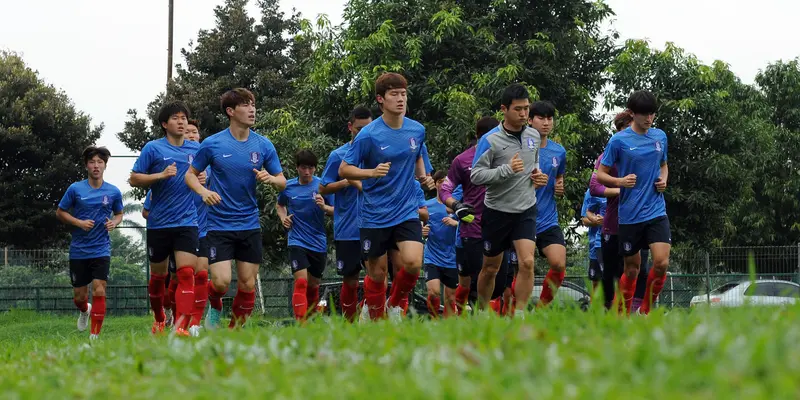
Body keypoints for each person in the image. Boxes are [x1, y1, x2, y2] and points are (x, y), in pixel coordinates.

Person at [187, 88, 286, 328]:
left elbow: (282, 180)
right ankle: (215, 302)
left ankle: (235, 331)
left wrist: (270, 179)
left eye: (253, 104)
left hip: (249, 223)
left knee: (248, 284)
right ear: (231, 111)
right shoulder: (212, 144)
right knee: (220, 282)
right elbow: (190, 175)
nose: (252, 109)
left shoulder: (263, 145)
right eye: (245, 105)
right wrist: (204, 192)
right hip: (218, 224)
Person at [339, 72, 434, 322]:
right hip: (374, 214)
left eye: (403, 94)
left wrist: (424, 176)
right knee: (378, 274)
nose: (400, 99)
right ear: (381, 99)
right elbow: (345, 169)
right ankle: (376, 320)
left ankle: (394, 304)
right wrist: (370, 172)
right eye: (394, 94)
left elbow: (417, 156)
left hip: (405, 210)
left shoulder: (417, 129)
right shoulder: (369, 134)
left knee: (413, 264)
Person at [470, 84, 548, 316]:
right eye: (518, 109)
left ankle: (521, 315)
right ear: (504, 109)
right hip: (497, 210)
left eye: (526, 109)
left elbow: (534, 163)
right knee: (491, 268)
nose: (524, 114)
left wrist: (538, 174)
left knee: (527, 262)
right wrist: (506, 170)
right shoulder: (489, 140)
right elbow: (476, 176)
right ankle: (482, 312)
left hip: (526, 208)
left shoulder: (534, 135)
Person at [596, 90, 671, 315]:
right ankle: (623, 313)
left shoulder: (660, 137)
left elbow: (664, 164)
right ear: (632, 114)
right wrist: (620, 181)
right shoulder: (618, 141)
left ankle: (645, 312)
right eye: (644, 115)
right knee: (632, 270)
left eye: (652, 114)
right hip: (629, 215)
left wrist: (663, 180)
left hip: (656, 210)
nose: (649, 119)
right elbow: (601, 174)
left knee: (661, 262)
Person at [130, 101, 200, 336]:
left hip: (188, 221)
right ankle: (160, 317)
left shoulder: (195, 150)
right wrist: (161, 175)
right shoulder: (153, 148)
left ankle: (182, 326)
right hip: (159, 222)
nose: (181, 122)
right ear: (164, 124)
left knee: (186, 273)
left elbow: (205, 176)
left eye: (184, 118)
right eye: (176, 118)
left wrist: (203, 182)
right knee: (158, 276)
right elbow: (134, 179)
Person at [56, 146, 123, 340]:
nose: (96, 166)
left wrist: (114, 223)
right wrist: (78, 222)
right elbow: (60, 212)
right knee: (79, 297)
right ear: (86, 165)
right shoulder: (75, 189)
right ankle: (85, 310)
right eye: (92, 162)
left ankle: (95, 336)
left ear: (104, 166)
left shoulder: (113, 191)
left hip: (101, 248)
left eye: (100, 162)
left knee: (100, 289)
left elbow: (119, 214)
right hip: (79, 250)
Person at [590, 110, 651, 311]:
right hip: (613, 225)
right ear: (619, 131)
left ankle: (634, 310)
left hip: (639, 221)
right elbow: (595, 186)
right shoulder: (608, 155)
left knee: (639, 269)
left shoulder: (647, 152)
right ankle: (609, 308)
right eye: (627, 128)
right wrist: (620, 187)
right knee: (611, 273)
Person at [439, 116, 499, 314]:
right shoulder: (462, 160)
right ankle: (472, 317)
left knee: (500, 284)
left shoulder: (509, 156)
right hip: (472, 230)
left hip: (501, 226)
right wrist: (457, 206)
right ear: (480, 137)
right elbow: (445, 191)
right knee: (475, 280)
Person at [319, 106, 372, 322]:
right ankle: (349, 323)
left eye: (368, 129)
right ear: (350, 127)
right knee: (350, 280)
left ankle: (372, 318)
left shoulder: (377, 155)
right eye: (359, 129)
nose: (363, 134)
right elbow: (323, 188)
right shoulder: (338, 155)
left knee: (377, 275)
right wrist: (346, 181)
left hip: (375, 224)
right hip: (347, 229)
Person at [277, 149, 334, 322]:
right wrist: (283, 218)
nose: (307, 172)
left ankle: (311, 320)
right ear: (297, 168)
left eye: (310, 168)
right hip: (296, 240)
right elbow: (280, 205)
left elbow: (336, 210)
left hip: (318, 242)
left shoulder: (322, 186)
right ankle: (300, 323)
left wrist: (324, 207)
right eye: (303, 168)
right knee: (301, 282)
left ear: (316, 169)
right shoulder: (288, 187)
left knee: (313, 285)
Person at [527, 101, 567, 306]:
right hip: (522, 218)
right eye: (541, 118)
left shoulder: (558, 152)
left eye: (549, 118)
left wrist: (559, 186)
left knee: (559, 264)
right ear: (529, 120)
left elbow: (558, 177)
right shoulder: (521, 147)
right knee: (525, 267)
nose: (546, 123)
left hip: (548, 219)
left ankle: (541, 309)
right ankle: (513, 312)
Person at [421, 171, 459, 318]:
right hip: (432, 257)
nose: (443, 184)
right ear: (436, 184)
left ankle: (448, 329)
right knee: (434, 292)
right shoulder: (426, 205)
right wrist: (421, 230)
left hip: (452, 258)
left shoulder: (457, 206)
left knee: (450, 298)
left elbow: (470, 223)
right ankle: (434, 320)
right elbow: (416, 224)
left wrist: (455, 222)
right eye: (440, 181)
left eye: (446, 182)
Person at [184, 119, 210, 335]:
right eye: (188, 132)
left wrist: (205, 179)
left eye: (195, 132)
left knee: (201, 274)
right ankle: (175, 314)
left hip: (203, 227)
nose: (191, 135)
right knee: (182, 276)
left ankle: (195, 322)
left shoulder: (209, 160)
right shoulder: (174, 161)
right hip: (179, 226)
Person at [580, 189, 606, 295]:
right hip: (596, 243)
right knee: (597, 282)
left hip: (616, 241)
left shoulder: (621, 185)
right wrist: (597, 220)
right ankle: (595, 310)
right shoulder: (592, 191)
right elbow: (584, 219)